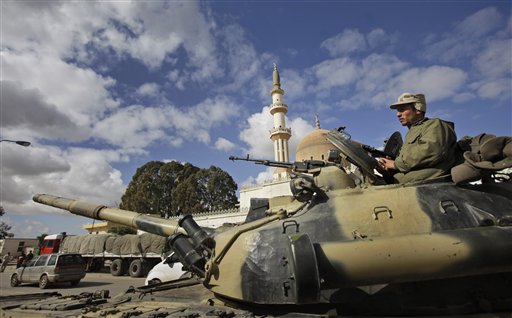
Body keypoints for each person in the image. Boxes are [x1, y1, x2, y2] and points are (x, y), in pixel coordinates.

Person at [378, 93, 458, 184]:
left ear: (418, 109)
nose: (398, 114)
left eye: (402, 110)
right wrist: (387, 167)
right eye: (397, 111)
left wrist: (395, 164)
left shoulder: (435, 125)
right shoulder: (412, 132)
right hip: (409, 182)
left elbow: (430, 150)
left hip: (428, 183)